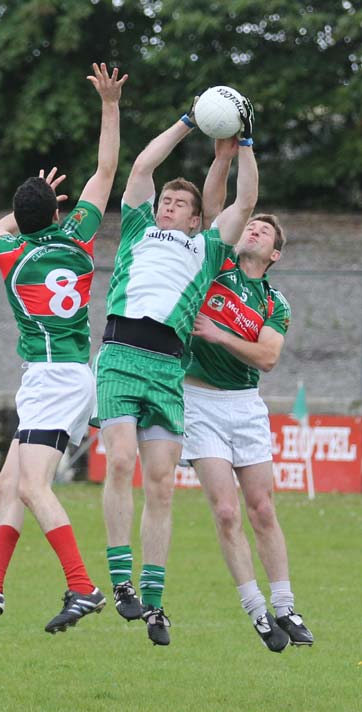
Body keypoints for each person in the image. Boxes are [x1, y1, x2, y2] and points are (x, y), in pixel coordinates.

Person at [0, 63, 128, 634]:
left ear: (19, 221)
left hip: (53, 379)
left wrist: (27, 204)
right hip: (63, 372)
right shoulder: (78, 238)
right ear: (60, 214)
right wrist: (109, 105)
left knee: (31, 486)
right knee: (6, 485)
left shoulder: (10, 257)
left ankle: (84, 587)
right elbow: (105, 169)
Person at [95, 97, 258, 645]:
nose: (166, 205)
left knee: (161, 487)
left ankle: (156, 603)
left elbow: (245, 201)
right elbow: (142, 167)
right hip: (119, 354)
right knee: (120, 460)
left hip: (166, 369)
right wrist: (189, 120)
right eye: (165, 199)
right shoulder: (139, 226)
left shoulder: (208, 248)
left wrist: (247, 146)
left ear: (194, 219)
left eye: (178, 203)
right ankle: (121, 583)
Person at [182, 142, 314, 653]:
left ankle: (287, 605)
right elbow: (224, 202)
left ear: (275, 254)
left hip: (245, 406)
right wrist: (238, 153)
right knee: (226, 512)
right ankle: (258, 611)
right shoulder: (216, 265)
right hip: (198, 401)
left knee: (262, 508)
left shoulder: (275, 301)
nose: (253, 228)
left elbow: (267, 359)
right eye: (251, 225)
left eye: (264, 230)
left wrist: (215, 333)